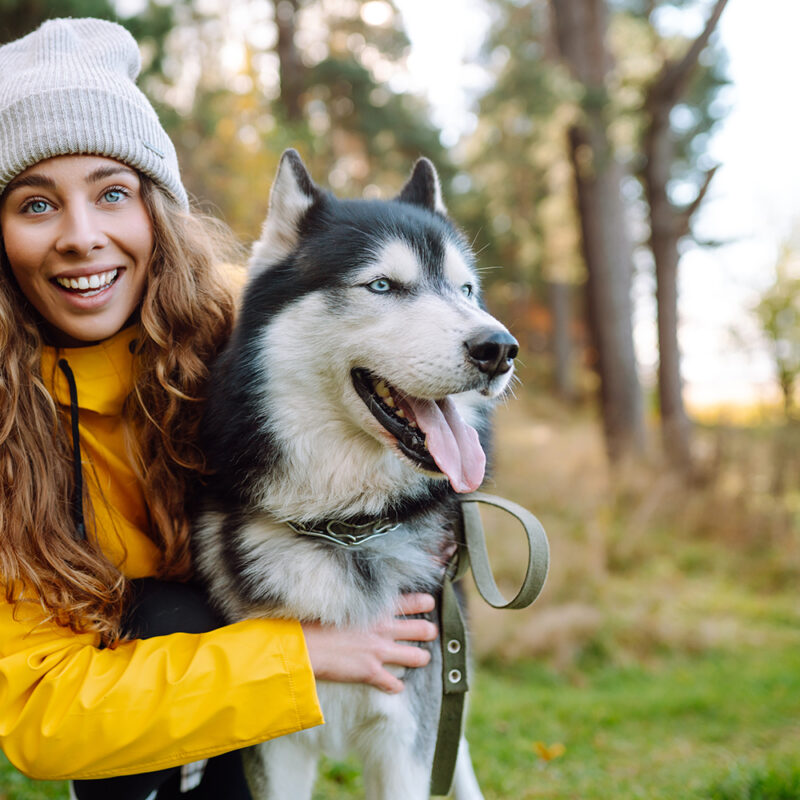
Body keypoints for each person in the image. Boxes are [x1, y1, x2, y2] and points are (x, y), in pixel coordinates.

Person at [0, 17, 438, 800]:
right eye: (35, 205)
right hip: (140, 695)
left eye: (112, 194)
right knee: (165, 612)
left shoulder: (250, 332)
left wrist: (425, 510)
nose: (81, 237)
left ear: (156, 212)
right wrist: (295, 656)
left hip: (252, 643)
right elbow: (38, 711)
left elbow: (407, 377)